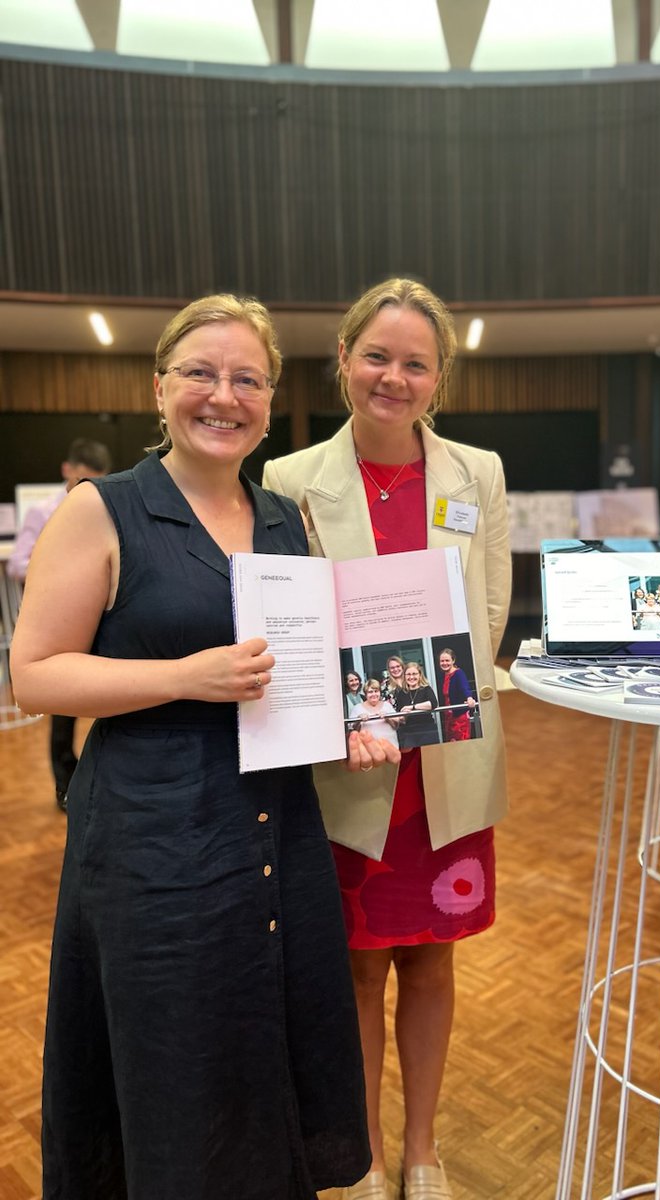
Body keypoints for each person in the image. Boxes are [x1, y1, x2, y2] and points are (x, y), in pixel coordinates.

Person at [10, 295, 395, 1200]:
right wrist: (184, 676)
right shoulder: (101, 511)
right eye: (201, 374)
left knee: (264, 1036)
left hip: (275, 829)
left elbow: (291, 675)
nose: (224, 396)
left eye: (247, 380)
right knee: (171, 1056)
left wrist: (350, 729)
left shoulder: (281, 519)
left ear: (269, 400)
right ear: (160, 388)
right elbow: (34, 675)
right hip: (153, 838)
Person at [262, 277, 511, 1200]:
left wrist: (430, 705)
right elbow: (289, 624)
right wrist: (349, 715)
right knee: (360, 971)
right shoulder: (290, 482)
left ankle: (423, 1150)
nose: (393, 377)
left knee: (433, 960)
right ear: (343, 362)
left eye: (415, 363)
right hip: (348, 766)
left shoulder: (475, 472)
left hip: (446, 761)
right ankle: (365, 1151)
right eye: (377, 356)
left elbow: (488, 606)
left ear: (438, 378)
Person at [8, 437, 112, 810]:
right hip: (61, 625)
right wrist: (58, 562)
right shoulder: (42, 512)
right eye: (80, 481)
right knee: (64, 714)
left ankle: (102, 782)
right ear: (67, 471)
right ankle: (64, 786)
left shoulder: (109, 506)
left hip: (103, 620)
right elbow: (19, 562)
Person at [393, 661, 440, 749]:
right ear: (404, 676)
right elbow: (401, 718)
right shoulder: (401, 693)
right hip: (409, 732)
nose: (411, 677)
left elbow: (433, 703)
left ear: (420, 675)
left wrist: (413, 707)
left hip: (427, 730)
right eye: (408, 674)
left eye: (414, 674)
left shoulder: (426, 689)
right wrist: (404, 716)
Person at [438, 646, 477, 742]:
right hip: (448, 717)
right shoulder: (444, 675)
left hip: (459, 717)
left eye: (447, 660)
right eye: (442, 661)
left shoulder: (458, 673)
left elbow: (465, 687)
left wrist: (469, 698)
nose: (444, 663)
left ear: (453, 660)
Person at [349, 678, 401, 747]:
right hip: (369, 749)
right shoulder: (357, 708)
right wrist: (358, 719)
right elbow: (352, 730)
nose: (374, 694)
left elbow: (396, 726)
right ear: (365, 694)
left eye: (376, 691)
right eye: (370, 692)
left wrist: (387, 717)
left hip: (390, 747)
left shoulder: (387, 705)